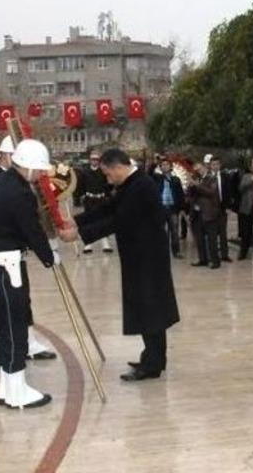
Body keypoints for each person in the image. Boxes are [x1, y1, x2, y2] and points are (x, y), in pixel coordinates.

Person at [60, 149, 180, 381]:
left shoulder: (141, 186)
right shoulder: (132, 184)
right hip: (139, 257)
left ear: (117, 167)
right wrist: (75, 220)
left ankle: (153, 365)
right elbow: (108, 208)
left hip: (148, 259)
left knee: (150, 308)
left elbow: (120, 220)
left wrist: (79, 235)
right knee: (146, 307)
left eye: (107, 174)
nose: (107, 179)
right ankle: (152, 357)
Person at [0, 139, 57, 409]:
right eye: (39, 170)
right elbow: (31, 229)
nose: (40, 175)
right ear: (29, 166)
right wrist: (49, 257)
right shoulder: (20, 191)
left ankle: (7, 386)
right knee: (14, 328)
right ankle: (16, 393)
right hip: (7, 267)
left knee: (4, 326)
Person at [76, 149, 114, 254]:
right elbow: (80, 186)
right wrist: (80, 197)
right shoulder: (84, 172)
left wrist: (108, 196)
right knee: (89, 221)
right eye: (93, 159)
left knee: (103, 220)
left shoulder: (103, 172)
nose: (95, 161)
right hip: (89, 199)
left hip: (101, 199)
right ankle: (88, 244)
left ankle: (105, 243)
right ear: (90, 160)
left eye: (97, 159)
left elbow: (109, 185)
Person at [187, 162, 221, 269]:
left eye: (200, 168)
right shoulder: (196, 179)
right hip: (196, 213)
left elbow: (211, 192)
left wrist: (197, 185)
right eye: (196, 169)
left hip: (209, 212)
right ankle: (203, 259)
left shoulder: (212, 178)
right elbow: (191, 195)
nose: (198, 170)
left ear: (205, 168)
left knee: (211, 239)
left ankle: (215, 261)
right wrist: (191, 186)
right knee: (199, 238)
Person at [152, 158, 186, 259]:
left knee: (174, 231)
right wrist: (155, 162)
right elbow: (149, 172)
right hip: (161, 209)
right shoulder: (157, 178)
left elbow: (180, 195)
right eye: (163, 165)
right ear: (160, 167)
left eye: (167, 165)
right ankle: (161, 251)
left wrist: (182, 209)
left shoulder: (176, 180)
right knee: (161, 232)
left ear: (170, 167)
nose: (165, 166)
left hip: (172, 209)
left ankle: (176, 251)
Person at [209, 156, 236, 263]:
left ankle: (225, 255)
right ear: (210, 166)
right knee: (212, 233)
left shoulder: (225, 177)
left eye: (217, 164)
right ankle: (214, 255)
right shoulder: (207, 177)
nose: (215, 166)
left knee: (223, 233)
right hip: (211, 209)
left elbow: (229, 192)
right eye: (213, 164)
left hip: (222, 208)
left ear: (220, 165)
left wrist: (228, 207)